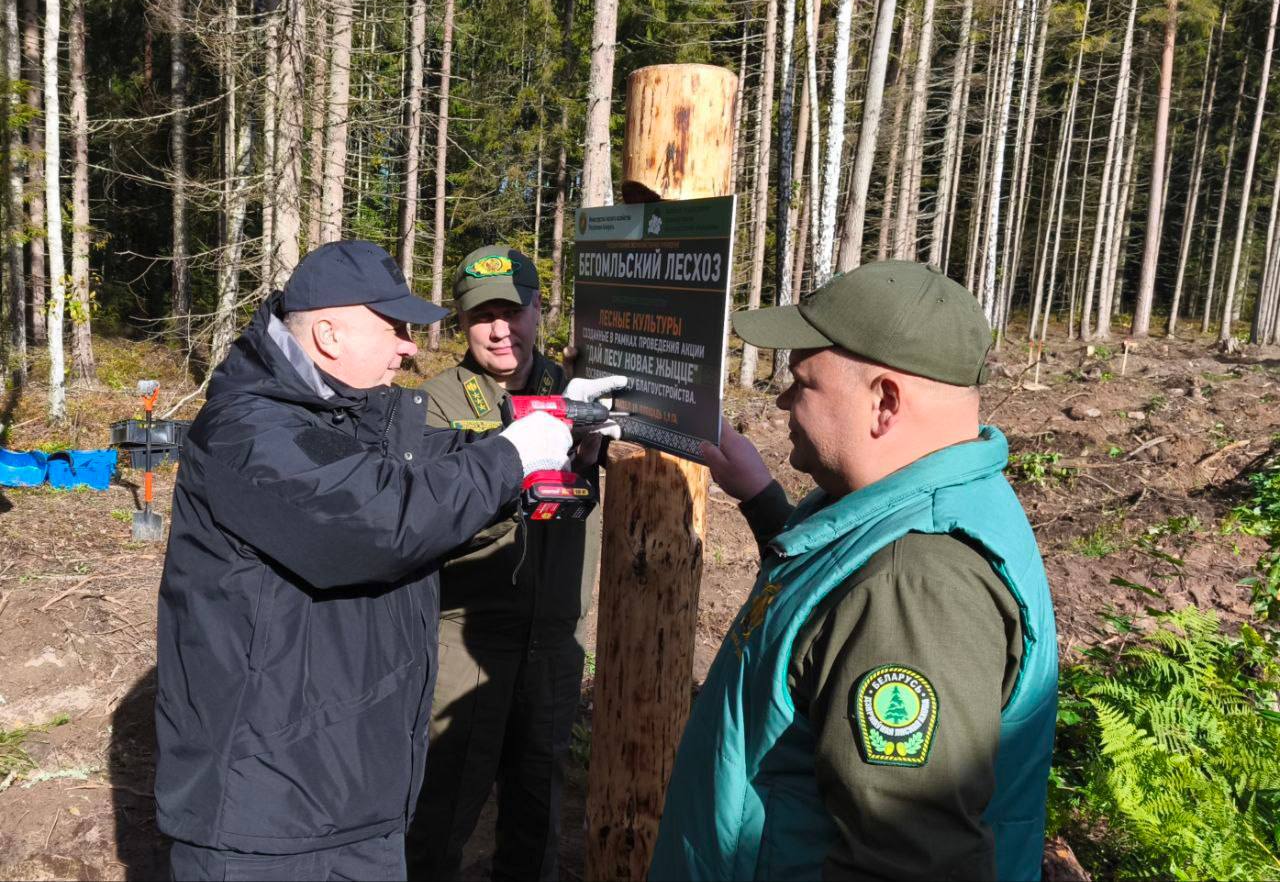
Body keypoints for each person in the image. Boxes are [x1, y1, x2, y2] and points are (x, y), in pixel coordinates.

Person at [154, 239, 581, 882]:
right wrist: (511, 457)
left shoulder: (338, 413)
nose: (409, 346)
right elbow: (383, 520)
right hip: (269, 819)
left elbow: (426, 460)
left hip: (344, 792)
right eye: (395, 327)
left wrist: (557, 428)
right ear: (328, 332)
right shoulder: (251, 432)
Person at [649, 260, 1059, 882]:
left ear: (885, 401)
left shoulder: (916, 586)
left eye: (802, 380)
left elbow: (909, 861)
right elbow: (830, 612)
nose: (783, 398)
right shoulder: (912, 510)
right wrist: (762, 498)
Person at [406, 245, 609, 882]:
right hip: (466, 638)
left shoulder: (579, 389)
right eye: (481, 316)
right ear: (462, 325)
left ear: (538, 310)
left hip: (553, 640)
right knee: (442, 811)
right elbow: (435, 513)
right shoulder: (434, 402)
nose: (500, 330)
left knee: (539, 815)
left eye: (513, 311)